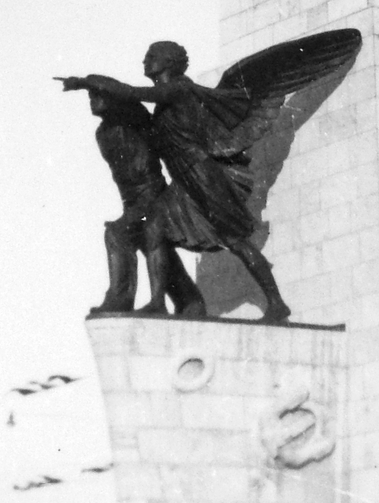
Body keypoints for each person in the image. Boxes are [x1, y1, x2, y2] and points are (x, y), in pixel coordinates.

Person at [62, 42, 291, 324]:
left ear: (170, 63)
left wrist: (85, 82)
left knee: (235, 240)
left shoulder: (179, 89)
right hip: (184, 179)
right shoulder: (163, 102)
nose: (145, 61)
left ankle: (277, 303)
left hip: (203, 176)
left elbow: (133, 93)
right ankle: (158, 301)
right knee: (154, 226)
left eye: (152, 57)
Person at [72, 86, 205, 317]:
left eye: (98, 94)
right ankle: (184, 299)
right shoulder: (103, 133)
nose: (92, 99)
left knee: (135, 233)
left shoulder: (136, 118)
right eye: (90, 95)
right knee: (126, 235)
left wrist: (88, 81)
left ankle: (154, 301)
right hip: (132, 201)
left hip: (154, 196)